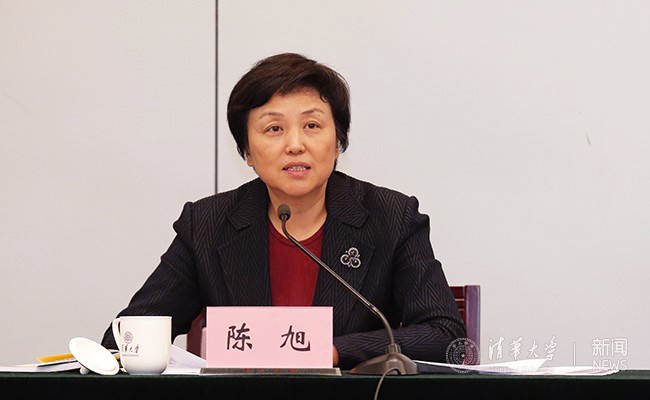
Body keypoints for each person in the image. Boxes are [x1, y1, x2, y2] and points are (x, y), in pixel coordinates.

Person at [101, 53, 465, 369]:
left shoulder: (392, 217)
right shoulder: (207, 225)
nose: (295, 144)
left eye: (312, 125)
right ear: (247, 151)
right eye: (274, 128)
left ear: (338, 143)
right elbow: (125, 338)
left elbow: (445, 337)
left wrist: (332, 351)